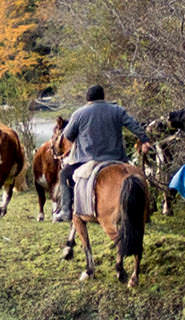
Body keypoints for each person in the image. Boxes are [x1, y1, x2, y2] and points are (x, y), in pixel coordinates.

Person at [53, 85, 149, 223]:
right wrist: (145, 140)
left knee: (64, 174)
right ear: (103, 97)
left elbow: (68, 136)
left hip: (88, 161)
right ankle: (147, 210)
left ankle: (66, 211)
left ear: (88, 98)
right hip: (118, 159)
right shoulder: (117, 110)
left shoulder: (79, 114)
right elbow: (134, 126)